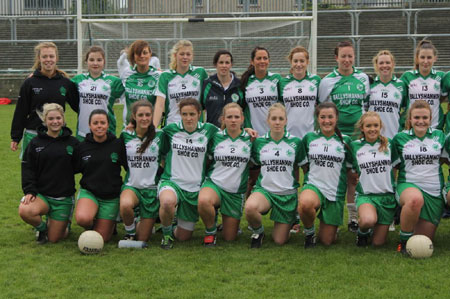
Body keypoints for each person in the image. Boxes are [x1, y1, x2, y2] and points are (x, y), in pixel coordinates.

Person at [318, 41, 370, 232]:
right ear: (336, 58)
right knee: (337, 176)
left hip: (358, 135)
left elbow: (366, 105)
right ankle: (333, 217)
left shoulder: (363, 78)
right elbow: (323, 108)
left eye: (350, 56)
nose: (347, 60)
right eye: (343, 56)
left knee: (354, 176)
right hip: (337, 135)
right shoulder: (327, 81)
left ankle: (354, 218)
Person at [158, 98, 218, 249]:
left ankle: (175, 223)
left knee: (183, 237)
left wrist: (247, 131)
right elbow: (160, 149)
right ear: (180, 114)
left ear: (199, 114)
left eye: (192, 114)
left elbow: (227, 136)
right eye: (185, 114)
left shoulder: (209, 130)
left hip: (195, 187)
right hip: (173, 182)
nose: (188, 118)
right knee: (167, 202)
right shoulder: (170, 130)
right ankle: (166, 234)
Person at [244, 103, 305, 248]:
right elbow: (253, 166)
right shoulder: (259, 142)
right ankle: (258, 232)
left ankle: (290, 218)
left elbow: (304, 168)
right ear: (268, 121)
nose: (277, 122)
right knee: (250, 208)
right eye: (274, 119)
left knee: (279, 240)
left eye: (280, 119)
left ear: (286, 121)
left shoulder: (296, 142)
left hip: (286, 195)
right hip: (265, 191)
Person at [19, 103, 79, 244]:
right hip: (42, 195)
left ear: (63, 120)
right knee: (24, 210)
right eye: (51, 119)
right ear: (45, 121)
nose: (55, 122)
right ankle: (42, 228)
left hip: (63, 198)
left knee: (56, 238)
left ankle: (64, 223)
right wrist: (29, 191)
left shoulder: (73, 143)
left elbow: (82, 165)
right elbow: (28, 168)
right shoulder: (35, 143)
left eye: (58, 118)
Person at [393, 100, 445, 254]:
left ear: (430, 118)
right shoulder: (400, 138)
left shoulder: (439, 136)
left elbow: (444, 160)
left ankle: (407, 222)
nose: (421, 121)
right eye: (416, 118)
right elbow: (395, 165)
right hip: (409, 185)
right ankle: (403, 243)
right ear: (410, 119)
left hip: (434, 191)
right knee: (415, 200)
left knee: (422, 240)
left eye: (425, 118)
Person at [10, 41, 78, 159]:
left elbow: (79, 107)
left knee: (56, 171)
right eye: (44, 56)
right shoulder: (30, 82)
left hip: (57, 134)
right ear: (39, 58)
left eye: (51, 56)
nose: (48, 59)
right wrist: (16, 137)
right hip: (33, 134)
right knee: (32, 172)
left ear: (56, 58)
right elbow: (21, 110)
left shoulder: (65, 83)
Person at [298, 102, 352, 248]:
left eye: (330, 117)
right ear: (317, 118)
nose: (326, 121)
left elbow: (349, 169)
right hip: (314, 185)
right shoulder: (309, 138)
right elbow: (304, 164)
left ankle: (331, 228)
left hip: (335, 192)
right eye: (322, 117)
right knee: (305, 204)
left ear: (337, 118)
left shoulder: (346, 141)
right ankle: (309, 233)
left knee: (327, 241)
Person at [198, 103, 252, 246]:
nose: (233, 120)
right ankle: (210, 231)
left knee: (229, 238)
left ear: (242, 118)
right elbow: (207, 161)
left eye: (236, 117)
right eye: (229, 117)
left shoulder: (251, 139)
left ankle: (221, 216)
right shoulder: (215, 137)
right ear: (223, 119)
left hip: (235, 192)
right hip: (215, 184)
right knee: (204, 200)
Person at [74, 109, 127, 242]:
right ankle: (93, 218)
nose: (99, 126)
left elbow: (129, 167)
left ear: (108, 125)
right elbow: (72, 169)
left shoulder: (118, 144)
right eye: (95, 123)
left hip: (111, 196)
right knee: (83, 219)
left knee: (102, 239)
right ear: (90, 125)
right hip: (90, 192)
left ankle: (110, 222)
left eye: (102, 123)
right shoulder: (82, 147)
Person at [351, 112, 399, 247]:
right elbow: (350, 168)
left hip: (387, 198)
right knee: (367, 221)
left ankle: (375, 228)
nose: (372, 129)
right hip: (367, 196)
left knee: (378, 243)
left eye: (376, 125)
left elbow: (395, 167)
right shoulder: (354, 146)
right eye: (368, 126)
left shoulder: (389, 144)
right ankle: (362, 233)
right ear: (362, 128)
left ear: (381, 126)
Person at [119, 100, 164, 242]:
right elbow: (122, 160)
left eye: (148, 115)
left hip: (151, 189)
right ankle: (129, 233)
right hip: (132, 186)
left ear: (152, 116)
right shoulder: (125, 135)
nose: (144, 118)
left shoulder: (160, 136)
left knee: (143, 238)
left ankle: (142, 221)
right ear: (134, 116)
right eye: (140, 115)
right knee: (125, 205)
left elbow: (168, 156)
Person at [72, 46, 124, 140]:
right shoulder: (77, 80)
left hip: (106, 132)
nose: (95, 63)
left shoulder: (114, 81)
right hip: (83, 132)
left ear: (104, 62)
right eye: (91, 60)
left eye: (99, 60)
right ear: (86, 61)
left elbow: (130, 91)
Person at [154, 40, 208, 127]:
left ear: (192, 56)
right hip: (173, 126)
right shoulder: (165, 76)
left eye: (188, 54)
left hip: (196, 127)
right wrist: (154, 128)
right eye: (182, 54)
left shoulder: (200, 73)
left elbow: (207, 102)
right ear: (175, 55)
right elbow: (160, 105)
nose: (185, 57)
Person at [400, 40, 447, 130]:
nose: (425, 61)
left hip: (435, 128)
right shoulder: (407, 76)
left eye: (429, 57)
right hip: (412, 128)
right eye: (422, 57)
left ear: (435, 58)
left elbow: (442, 97)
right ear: (417, 58)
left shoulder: (441, 76)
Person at [280, 46, 321, 138]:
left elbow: (321, 105)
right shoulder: (283, 82)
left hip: (311, 134)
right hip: (289, 135)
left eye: (302, 61)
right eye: (295, 61)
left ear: (307, 62)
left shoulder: (316, 80)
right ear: (291, 62)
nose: (298, 64)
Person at [117, 40, 161, 125]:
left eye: (145, 53)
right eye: (138, 53)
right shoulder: (126, 74)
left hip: (150, 127)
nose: (142, 56)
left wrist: (157, 126)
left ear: (150, 54)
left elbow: (162, 105)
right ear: (133, 56)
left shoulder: (159, 76)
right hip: (129, 127)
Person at [241, 46, 281, 136]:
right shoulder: (245, 81)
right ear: (252, 61)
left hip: (274, 133)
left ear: (269, 61)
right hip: (253, 134)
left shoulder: (277, 79)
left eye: (265, 58)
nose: (262, 61)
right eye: (259, 58)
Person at [368, 50, 407, 139]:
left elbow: (406, 109)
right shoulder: (370, 85)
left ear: (393, 64)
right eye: (381, 63)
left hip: (394, 136)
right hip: (372, 137)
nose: (384, 66)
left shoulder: (401, 85)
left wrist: (401, 124)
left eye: (387, 63)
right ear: (376, 65)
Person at [201, 49, 244, 127]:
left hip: (233, 134)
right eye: (221, 62)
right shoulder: (207, 84)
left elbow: (244, 110)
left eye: (227, 63)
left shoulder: (239, 85)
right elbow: (200, 109)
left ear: (231, 65)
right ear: (215, 64)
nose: (224, 66)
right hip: (213, 134)